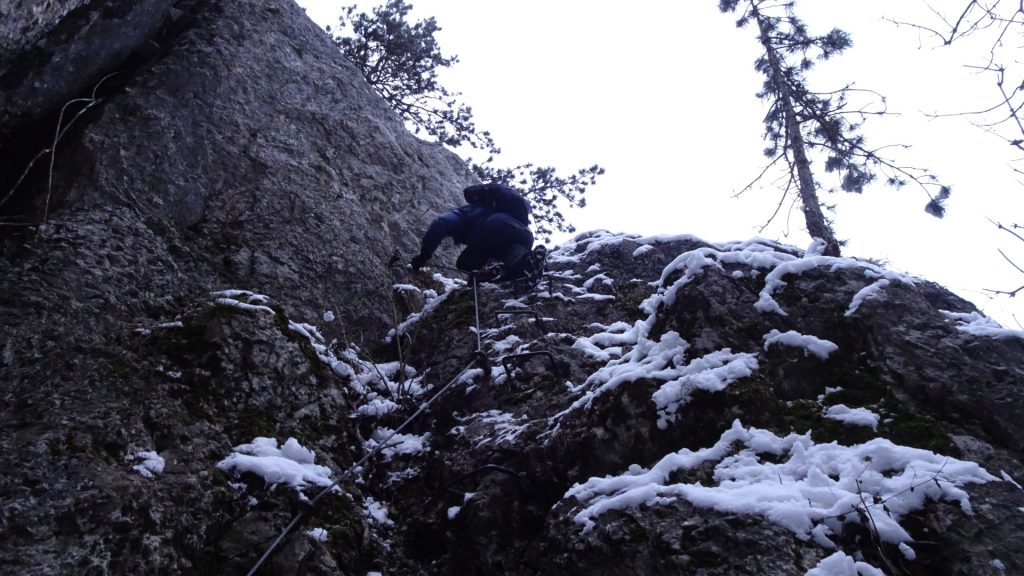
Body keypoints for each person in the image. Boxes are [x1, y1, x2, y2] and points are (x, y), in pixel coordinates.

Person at [411, 183, 535, 281]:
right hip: (523, 237)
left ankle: (492, 270)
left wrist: (424, 255)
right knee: (465, 260)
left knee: (467, 261)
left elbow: (441, 223)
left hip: (494, 227)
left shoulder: (472, 211)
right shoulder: (516, 216)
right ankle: (521, 266)